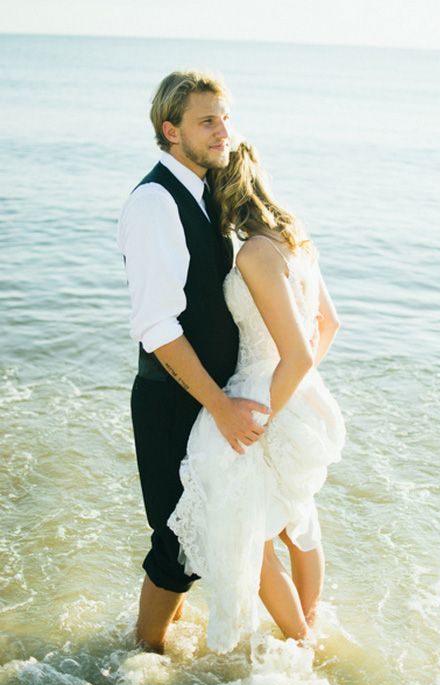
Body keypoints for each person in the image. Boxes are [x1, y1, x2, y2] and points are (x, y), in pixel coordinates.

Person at [168, 141, 346, 654]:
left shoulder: (253, 252)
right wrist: (302, 386)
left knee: (252, 536)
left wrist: (264, 413)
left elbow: (295, 353)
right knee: (298, 521)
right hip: (299, 395)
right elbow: (327, 325)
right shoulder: (297, 239)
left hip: (260, 398)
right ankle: (308, 633)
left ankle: (300, 643)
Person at [117, 71, 271, 654]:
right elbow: (157, 328)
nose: (223, 131)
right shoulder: (155, 202)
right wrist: (223, 406)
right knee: (176, 542)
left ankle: (162, 639)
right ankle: (143, 658)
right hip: (172, 398)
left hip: (208, 394)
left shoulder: (207, 191)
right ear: (170, 129)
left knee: (203, 531)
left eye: (225, 118)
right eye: (208, 121)